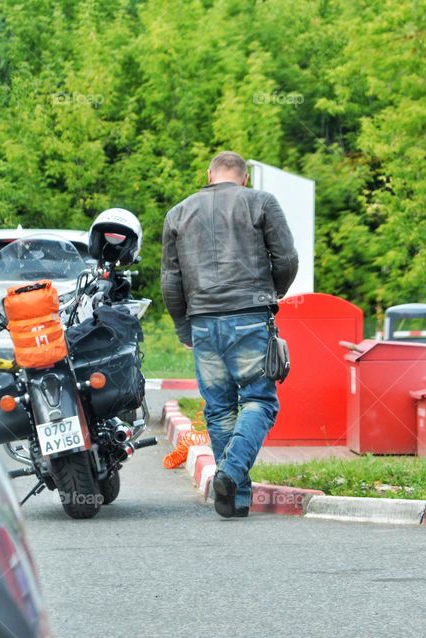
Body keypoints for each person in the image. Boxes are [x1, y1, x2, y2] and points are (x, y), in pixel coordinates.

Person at [161, 151, 298, 518]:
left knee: (220, 409)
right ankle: (231, 473)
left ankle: (234, 499)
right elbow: (286, 259)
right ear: (244, 178)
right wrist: (272, 294)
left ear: (209, 175)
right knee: (260, 401)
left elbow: (171, 281)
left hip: (203, 322)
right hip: (250, 317)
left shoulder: (178, 213)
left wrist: (182, 325)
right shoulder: (261, 202)